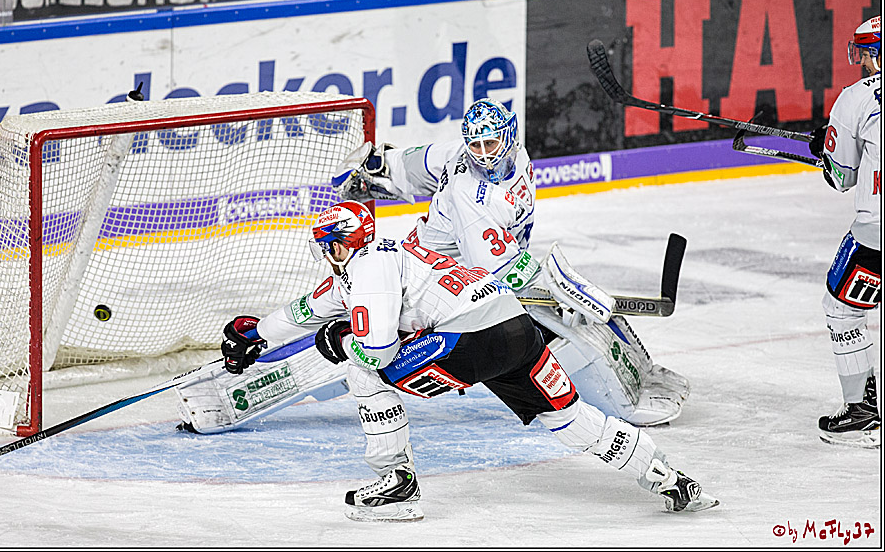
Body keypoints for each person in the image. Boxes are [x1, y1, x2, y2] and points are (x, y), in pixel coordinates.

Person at [219, 201, 718, 521]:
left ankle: (396, 481)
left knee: (361, 370)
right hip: (516, 328)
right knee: (562, 416)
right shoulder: (383, 256)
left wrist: (342, 342)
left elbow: (376, 350)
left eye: (332, 244)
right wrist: (256, 334)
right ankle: (664, 475)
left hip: (469, 342)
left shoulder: (368, 268)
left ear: (347, 243)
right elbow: (310, 309)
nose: (327, 252)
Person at [333, 99, 691, 427]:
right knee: (563, 323)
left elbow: (418, 162)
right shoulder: (474, 200)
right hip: (434, 280)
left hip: (450, 260)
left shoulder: (475, 153)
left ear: (509, 136)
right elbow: (497, 272)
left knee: (577, 310)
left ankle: (643, 372)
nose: (484, 155)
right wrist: (556, 289)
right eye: (476, 146)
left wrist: (379, 167)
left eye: (490, 143)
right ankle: (623, 405)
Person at [807, 15, 881, 448]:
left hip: (879, 234)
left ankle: (863, 415)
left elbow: (842, 178)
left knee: (843, 312)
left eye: (869, 53)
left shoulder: (856, 98)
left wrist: (825, 149)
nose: (865, 63)